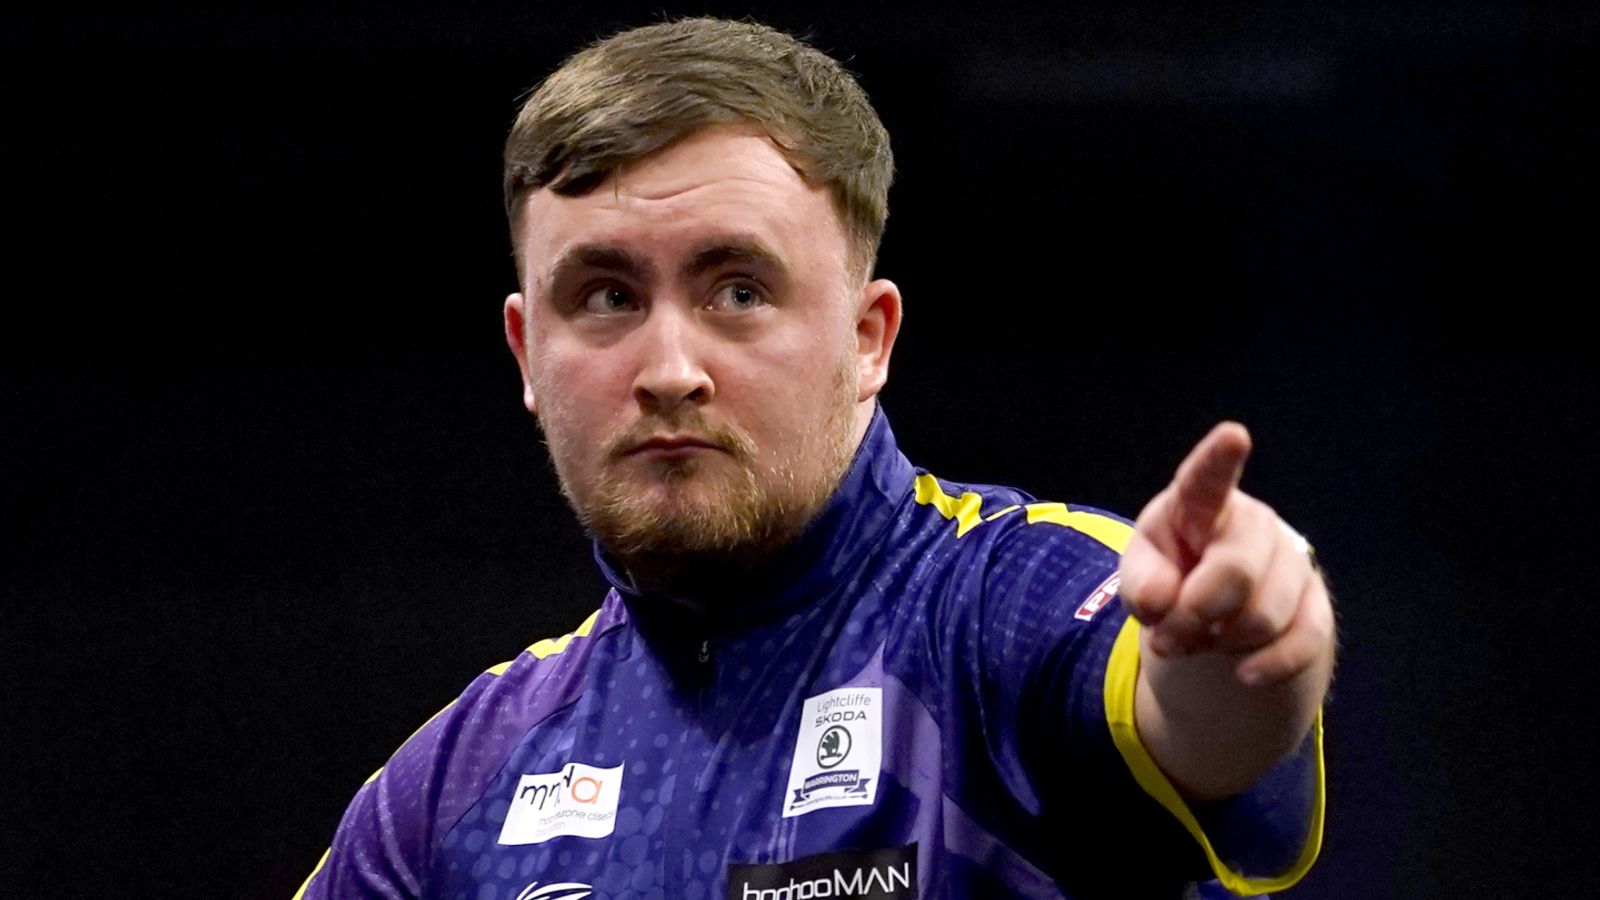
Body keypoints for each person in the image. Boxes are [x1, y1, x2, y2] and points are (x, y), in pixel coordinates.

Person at [296, 17, 1333, 900]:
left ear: (868, 339)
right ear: (528, 352)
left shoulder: (1001, 607)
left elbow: (1197, 718)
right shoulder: (447, 791)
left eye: (738, 291)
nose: (670, 370)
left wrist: (1242, 652)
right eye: (607, 296)